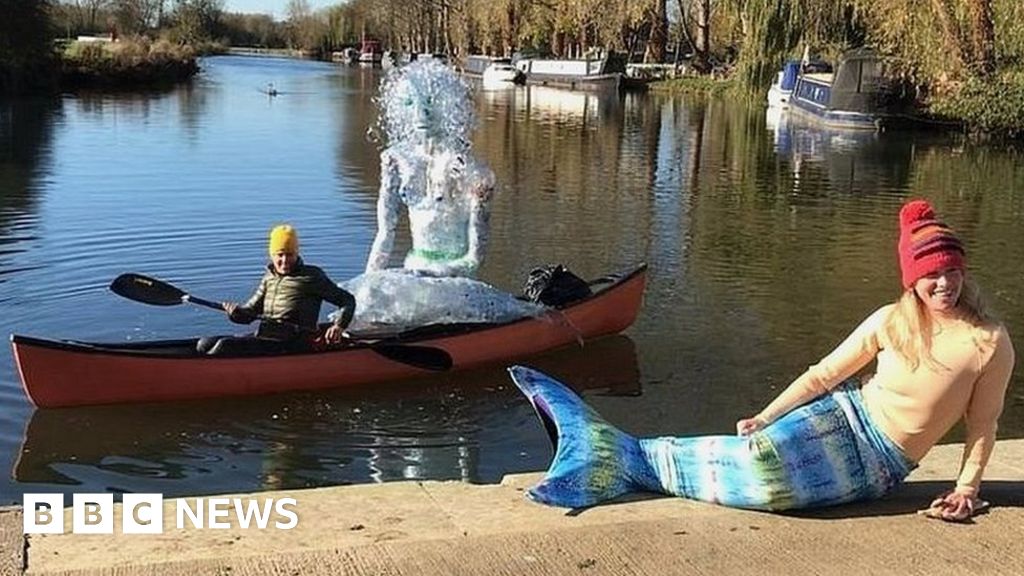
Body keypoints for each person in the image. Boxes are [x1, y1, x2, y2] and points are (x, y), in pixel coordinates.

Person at [507, 199, 1014, 522]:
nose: (944, 283)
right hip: (845, 414)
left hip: (878, 461)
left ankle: (620, 459)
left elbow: (983, 426)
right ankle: (622, 455)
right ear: (912, 279)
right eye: (932, 274)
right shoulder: (891, 319)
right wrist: (768, 416)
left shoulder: (988, 341)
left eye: (951, 272)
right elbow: (824, 374)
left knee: (768, 486)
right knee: (756, 452)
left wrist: (966, 489)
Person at [365, 58, 496, 278]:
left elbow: (475, 258)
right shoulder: (395, 160)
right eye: (412, 103)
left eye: (429, 102)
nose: (421, 113)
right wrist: (367, 284)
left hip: (455, 281)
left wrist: (435, 273)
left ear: (446, 105)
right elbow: (385, 233)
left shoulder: (467, 168)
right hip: (414, 271)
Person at [197, 225, 356, 355]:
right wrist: (234, 313)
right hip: (268, 336)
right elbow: (249, 313)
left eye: (290, 255)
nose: (284, 260)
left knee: (225, 346)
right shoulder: (269, 278)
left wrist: (338, 326)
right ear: (272, 255)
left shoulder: (312, 276)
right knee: (204, 343)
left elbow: (347, 300)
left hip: (294, 342)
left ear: (296, 254)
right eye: (280, 255)